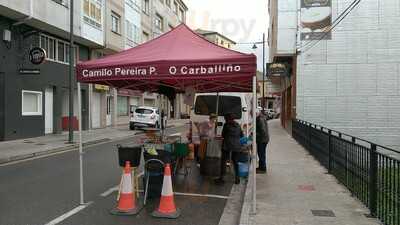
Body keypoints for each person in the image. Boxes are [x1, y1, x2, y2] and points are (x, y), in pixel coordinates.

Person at [215, 113, 243, 185]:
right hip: (237, 146)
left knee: (223, 161)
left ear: (227, 119)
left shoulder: (226, 125)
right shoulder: (238, 125)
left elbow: (223, 135)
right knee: (236, 162)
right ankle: (237, 178)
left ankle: (222, 178)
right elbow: (241, 135)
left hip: (227, 145)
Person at [256, 109, 270, 174]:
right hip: (264, 139)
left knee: (261, 154)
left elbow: (263, 130)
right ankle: (261, 167)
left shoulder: (260, 119)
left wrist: (255, 134)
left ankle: (263, 169)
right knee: (261, 153)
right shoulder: (261, 117)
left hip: (262, 139)